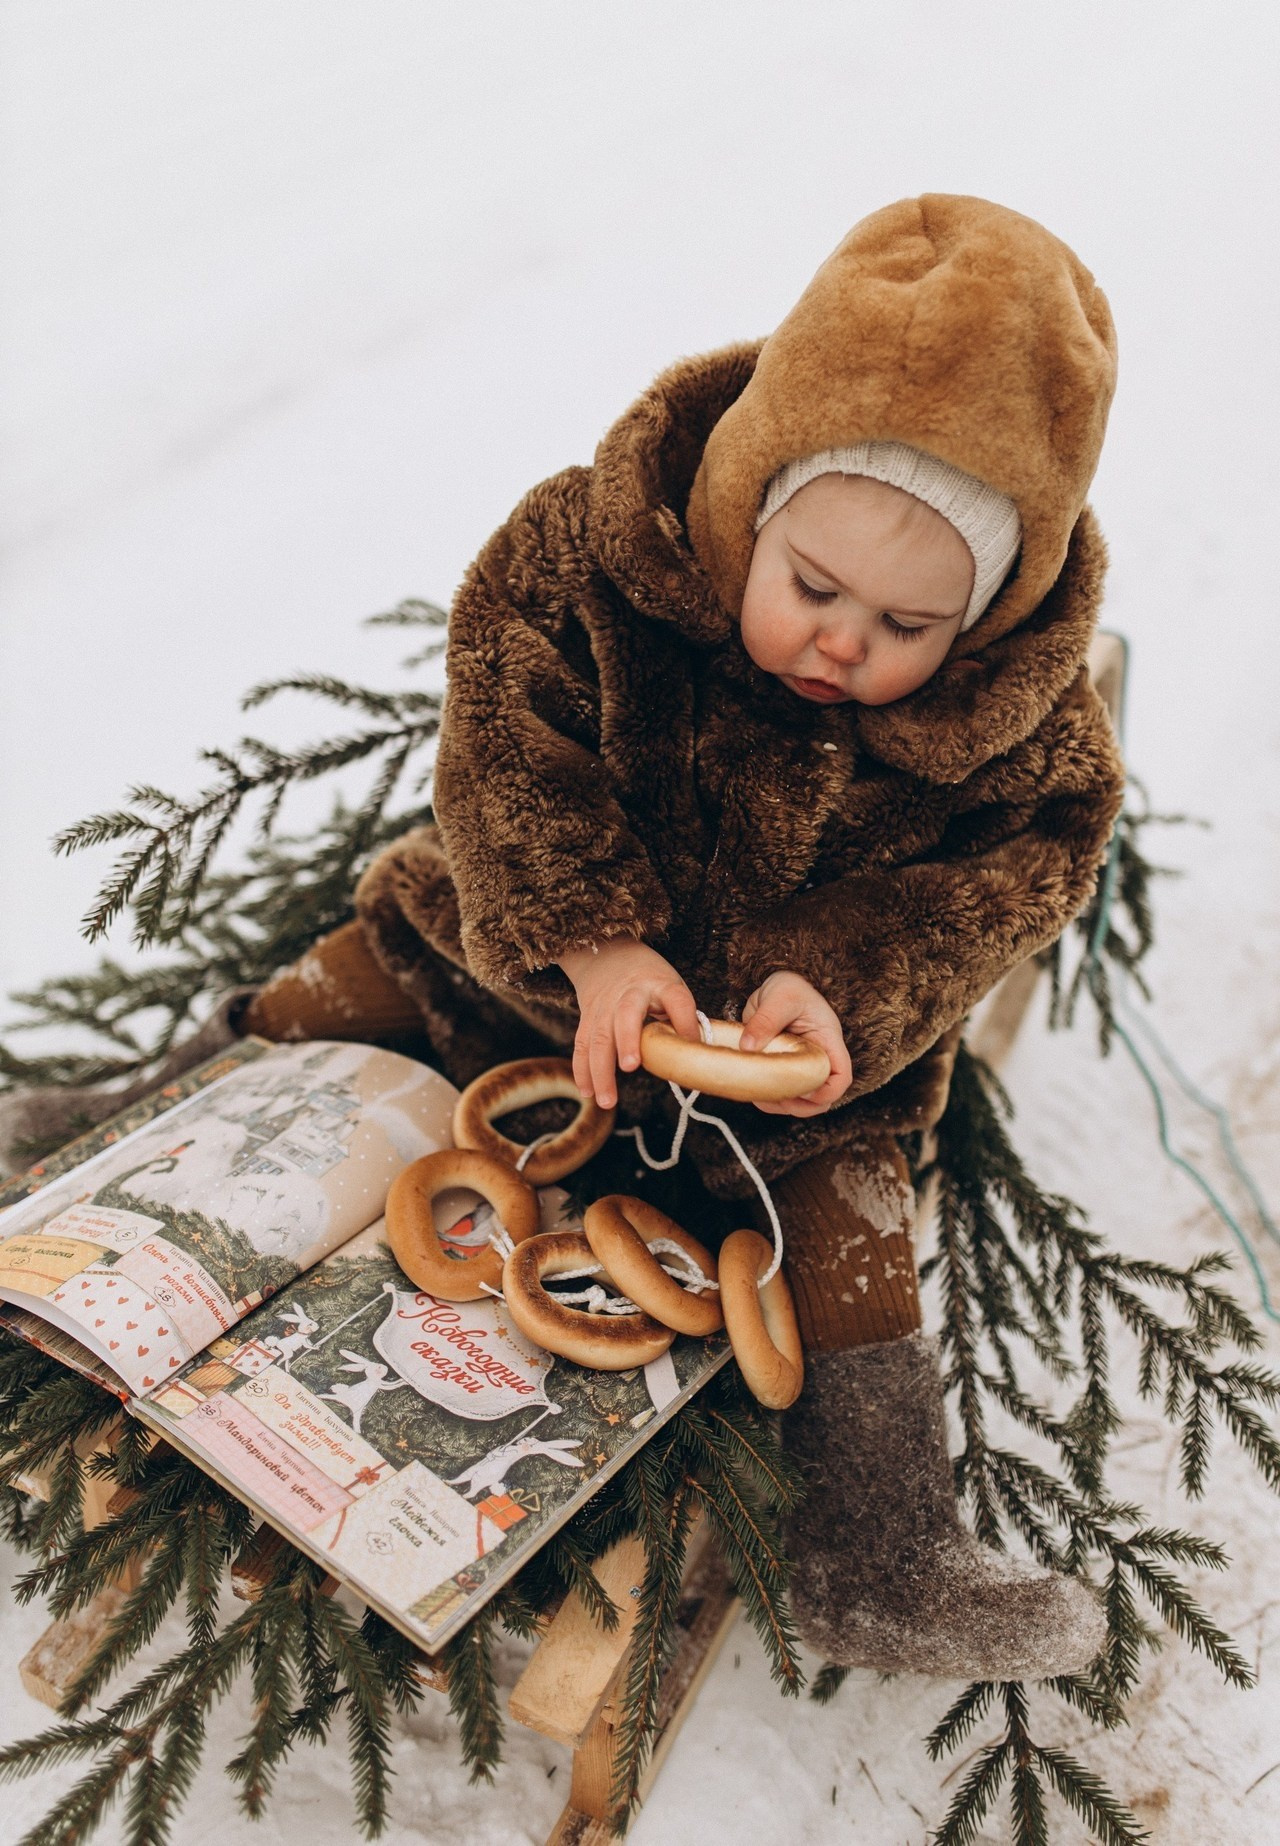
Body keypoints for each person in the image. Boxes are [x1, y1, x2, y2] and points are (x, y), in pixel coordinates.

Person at [7, 195, 1124, 1679]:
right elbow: (501, 721)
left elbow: (1020, 873)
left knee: (857, 1235)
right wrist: (591, 936)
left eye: (909, 625)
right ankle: (106, 1129)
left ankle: (882, 1539)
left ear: (985, 622)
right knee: (345, 982)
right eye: (814, 587)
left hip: (764, 1088)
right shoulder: (594, 568)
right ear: (746, 498)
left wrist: (847, 983)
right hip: (516, 982)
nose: (846, 644)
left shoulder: (1022, 733)